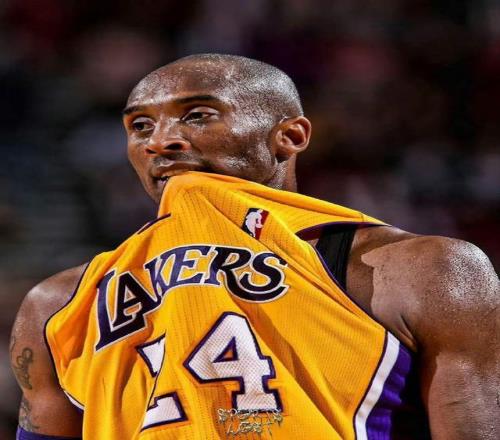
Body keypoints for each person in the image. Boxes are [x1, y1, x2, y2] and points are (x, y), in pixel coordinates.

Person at [10, 54, 499, 440]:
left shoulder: (422, 269)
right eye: (141, 127)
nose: (160, 141)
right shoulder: (57, 303)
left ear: (290, 136)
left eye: (197, 116)